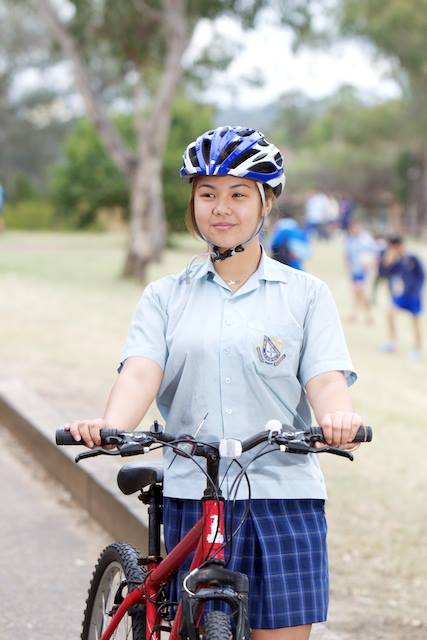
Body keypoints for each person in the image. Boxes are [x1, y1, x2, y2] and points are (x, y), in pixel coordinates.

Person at [65, 126, 365, 639]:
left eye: (238, 194)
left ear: (266, 202)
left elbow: (326, 378)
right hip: (194, 494)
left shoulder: (306, 296)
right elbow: (140, 371)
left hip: (283, 496)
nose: (221, 208)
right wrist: (111, 426)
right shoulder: (165, 297)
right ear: (193, 202)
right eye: (207, 194)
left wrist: (338, 417)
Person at [381, 236, 425, 360]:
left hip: (414, 296)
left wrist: (416, 292)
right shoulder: (399, 260)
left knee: (416, 323)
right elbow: (385, 273)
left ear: (397, 246)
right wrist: (388, 260)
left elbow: (422, 275)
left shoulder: (413, 257)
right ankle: (392, 343)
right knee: (390, 313)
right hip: (403, 295)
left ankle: (418, 350)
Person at [344, 220, 377, 323]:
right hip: (354, 270)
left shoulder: (367, 239)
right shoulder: (349, 240)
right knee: (357, 293)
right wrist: (346, 267)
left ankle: (365, 315)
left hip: (363, 271)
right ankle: (360, 315)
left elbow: (374, 254)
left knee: (359, 291)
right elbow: (346, 255)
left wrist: (371, 264)